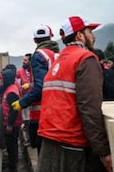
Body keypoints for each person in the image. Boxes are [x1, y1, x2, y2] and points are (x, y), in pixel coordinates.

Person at [37, 16, 112, 172]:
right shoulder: (85, 59)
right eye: (90, 31)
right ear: (80, 35)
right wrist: (103, 151)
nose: (94, 36)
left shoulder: (58, 61)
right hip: (72, 147)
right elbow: (89, 108)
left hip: (49, 143)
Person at [11, 24, 60, 154]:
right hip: (57, 111)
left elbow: (40, 87)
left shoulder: (38, 55)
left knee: (43, 153)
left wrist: (22, 102)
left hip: (41, 115)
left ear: (35, 40)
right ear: (50, 37)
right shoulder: (56, 55)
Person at [1, 64, 22, 172]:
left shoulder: (11, 92)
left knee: (11, 146)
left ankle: (13, 167)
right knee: (12, 145)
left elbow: (14, 110)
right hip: (12, 123)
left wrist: (9, 124)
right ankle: (13, 163)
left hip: (12, 124)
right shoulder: (10, 88)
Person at [16, 53, 32, 146]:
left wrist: (30, 85)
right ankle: (27, 140)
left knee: (32, 121)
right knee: (26, 120)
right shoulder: (21, 71)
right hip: (25, 99)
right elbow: (12, 74)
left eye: (25, 60)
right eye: (23, 60)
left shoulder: (34, 71)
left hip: (34, 99)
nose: (23, 62)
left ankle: (31, 139)